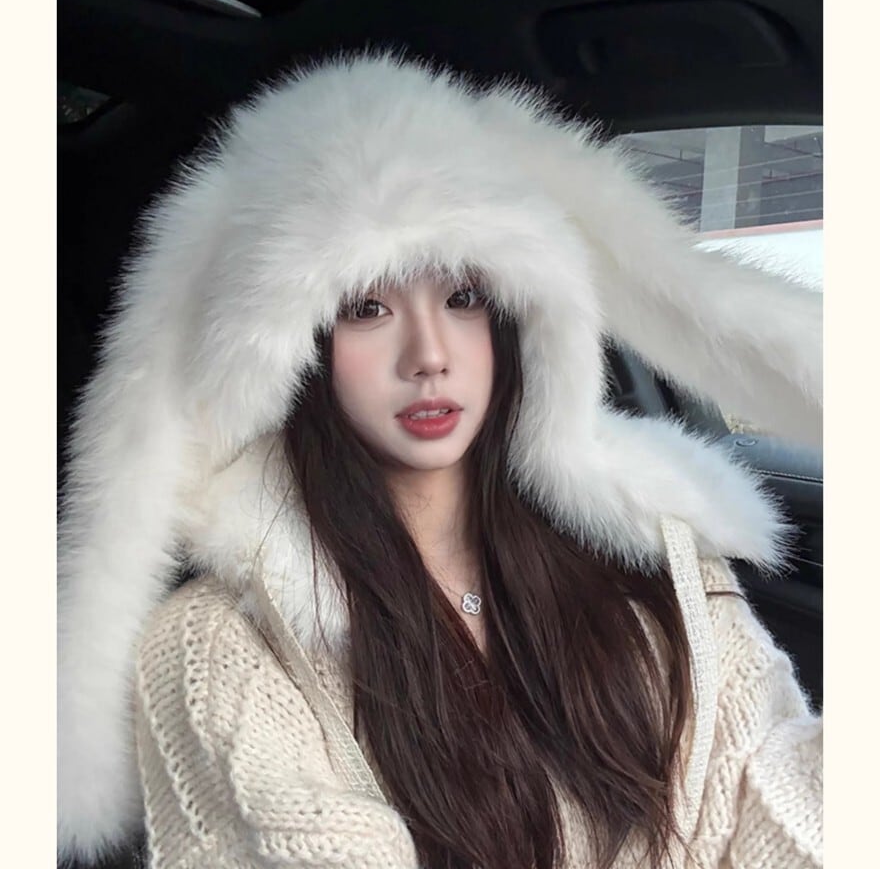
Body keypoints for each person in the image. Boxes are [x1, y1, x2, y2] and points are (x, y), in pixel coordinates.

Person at [58, 53, 822, 869]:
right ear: (299, 351)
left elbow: (781, 805)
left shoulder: (656, 565)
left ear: (515, 324)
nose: (428, 355)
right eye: (367, 307)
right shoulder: (221, 646)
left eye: (462, 298)